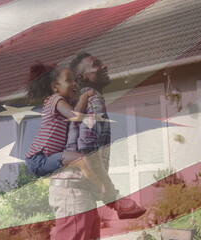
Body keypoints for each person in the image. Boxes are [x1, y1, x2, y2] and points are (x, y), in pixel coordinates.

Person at [49, 52, 146, 240]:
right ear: (82, 77)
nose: (105, 67)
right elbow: (88, 150)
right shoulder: (92, 100)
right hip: (75, 191)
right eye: (97, 65)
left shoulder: (82, 101)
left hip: (80, 190)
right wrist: (112, 196)